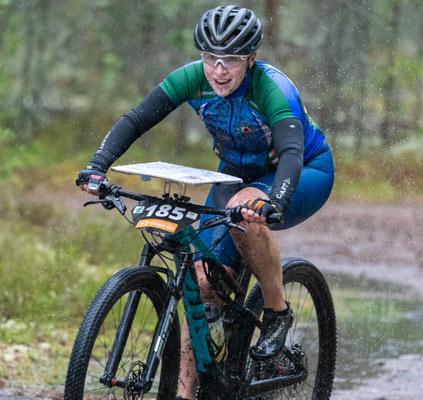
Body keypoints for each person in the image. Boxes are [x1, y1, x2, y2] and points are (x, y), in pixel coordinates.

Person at [76, 5, 334, 399]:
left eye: (231, 59)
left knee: (246, 213)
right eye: (210, 57)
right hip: (235, 172)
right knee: (201, 285)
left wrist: (275, 200)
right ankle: (188, 393)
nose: (219, 70)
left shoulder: (271, 88)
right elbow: (136, 119)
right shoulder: (191, 78)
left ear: (251, 58)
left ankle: (277, 311)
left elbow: (292, 152)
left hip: (304, 170)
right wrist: (97, 166)